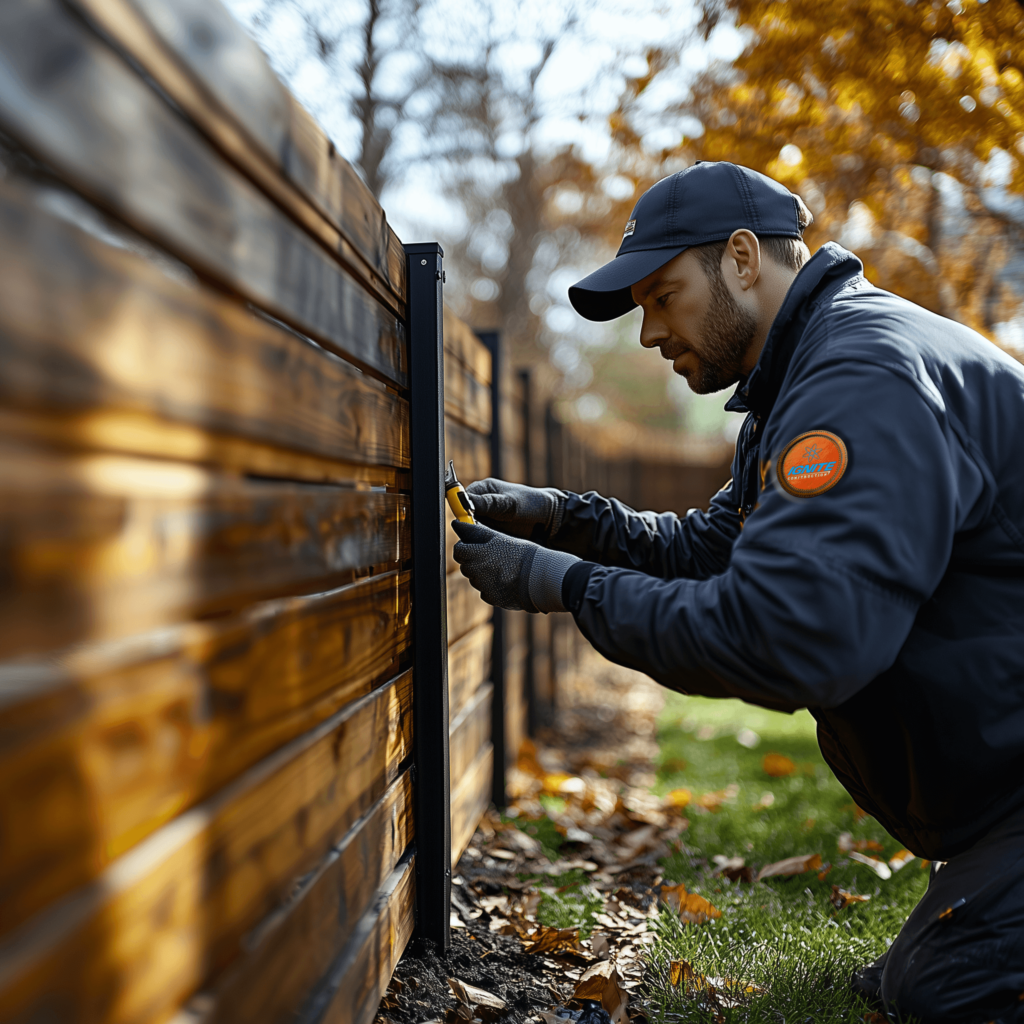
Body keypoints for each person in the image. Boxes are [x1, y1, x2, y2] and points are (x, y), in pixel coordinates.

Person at [451, 161, 1024, 1024]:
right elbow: (714, 551)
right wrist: (564, 518)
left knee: (948, 985)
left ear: (745, 259)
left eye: (661, 296)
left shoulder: (861, 380)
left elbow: (790, 635)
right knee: (920, 972)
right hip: (1002, 796)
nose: (648, 333)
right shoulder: (800, 378)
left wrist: (563, 585)